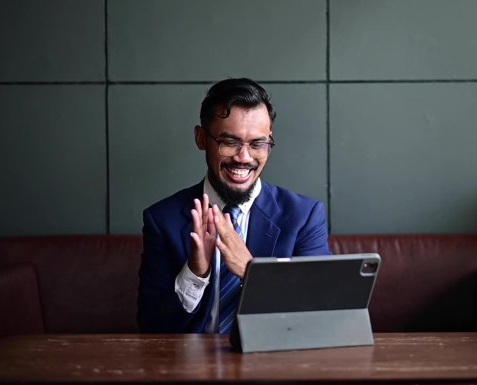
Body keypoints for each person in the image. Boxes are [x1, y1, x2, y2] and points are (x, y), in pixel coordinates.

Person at [137, 78, 331, 333]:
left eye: (257, 143)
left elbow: (321, 317)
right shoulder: (163, 219)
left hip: (275, 365)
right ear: (201, 139)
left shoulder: (304, 216)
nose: (244, 157)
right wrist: (195, 273)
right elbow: (151, 326)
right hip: (191, 368)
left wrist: (252, 273)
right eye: (229, 142)